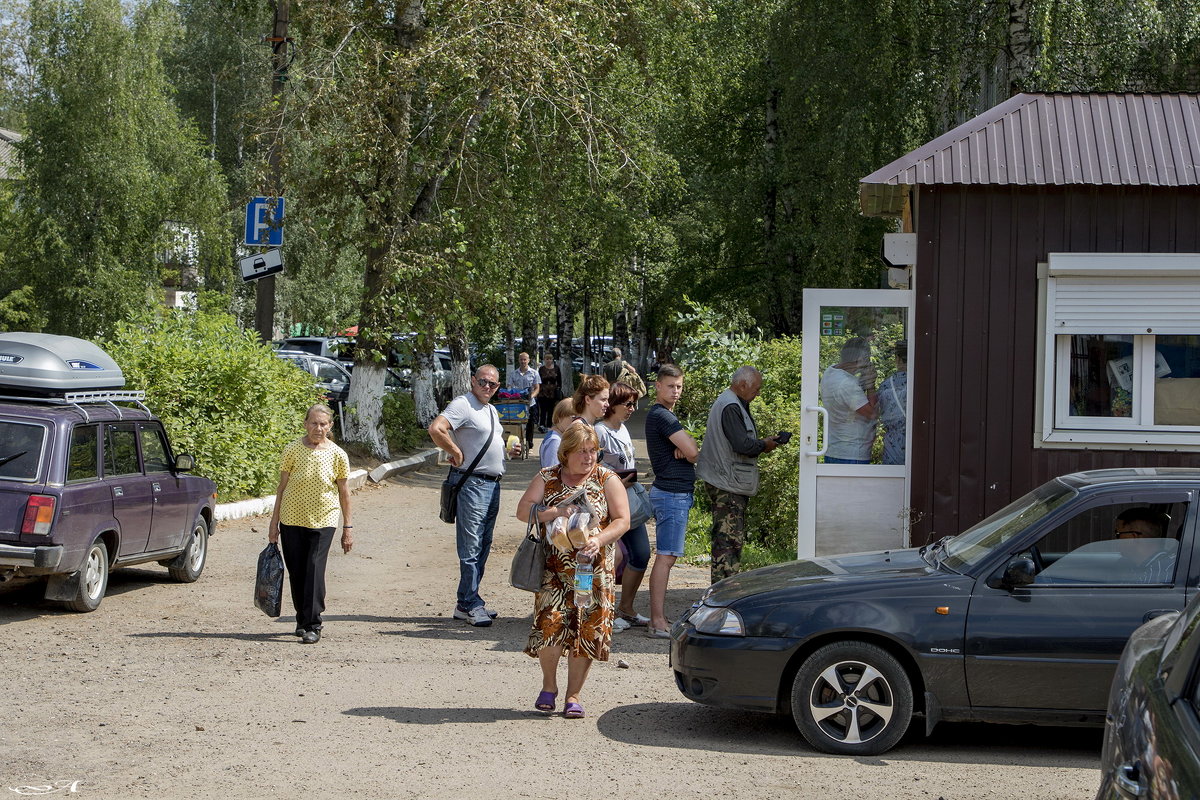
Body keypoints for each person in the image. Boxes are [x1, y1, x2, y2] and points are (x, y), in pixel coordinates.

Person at [516, 423, 630, 719]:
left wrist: (599, 540)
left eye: (593, 450)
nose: (589, 456)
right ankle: (549, 685)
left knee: (586, 630)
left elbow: (622, 520)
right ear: (565, 453)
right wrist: (554, 512)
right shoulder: (548, 477)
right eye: (582, 451)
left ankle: (573, 695)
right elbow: (522, 510)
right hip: (553, 570)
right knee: (549, 625)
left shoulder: (607, 478)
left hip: (593, 572)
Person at [428, 365, 507, 628]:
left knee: (483, 544)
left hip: (492, 484)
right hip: (472, 484)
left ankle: (466, 601)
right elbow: (437, 428)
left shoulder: (491, 410)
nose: (487, 387)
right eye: (483, 382)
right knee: (471, 547)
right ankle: (472, 603)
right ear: (473, 380)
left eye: (493, 384)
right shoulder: (464, 404)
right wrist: (454, 451)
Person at [267, 403, 353, 645]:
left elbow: (344, 492)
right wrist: (274, 524)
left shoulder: (337, 455)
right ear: (305, 424)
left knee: (314, 569)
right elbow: (281, 488)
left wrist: (348, 527)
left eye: (323, 424)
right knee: (297, 571)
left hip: (324, 520)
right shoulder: (292, 450)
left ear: (330, 426)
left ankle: (313, 623)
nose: (318, 428)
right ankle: (302, 618)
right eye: (314, 423)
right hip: (292, 519)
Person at [695, 366, 780, 583]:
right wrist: (764, 445)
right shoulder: (730, 406)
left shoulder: (731, 402)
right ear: (742, 385)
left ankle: (723, 589)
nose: (758, 393)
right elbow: (742, 444)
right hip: (727, 483)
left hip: (725, 480)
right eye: (756, 388)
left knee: (728, 540)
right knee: (728, 542)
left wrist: (763, 443)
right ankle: (723, 593)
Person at [645, 364, 698, 638]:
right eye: (670, 386)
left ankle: (658, 617)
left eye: (679, 386)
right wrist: (687, 451)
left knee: (667, 557)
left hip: (672, 493)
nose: (675, 391)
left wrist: (685, 451)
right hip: (671, 494)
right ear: (657, 386)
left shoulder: (664, 416)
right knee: (665, 557)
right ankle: (657, 621)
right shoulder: (663, 417)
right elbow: (693, 451)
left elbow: (688, 451)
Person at [594, 381, 651, 630]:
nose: (632, 408)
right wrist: (616, 481)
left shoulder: (624, 429)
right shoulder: (600, 431)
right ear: (613, 405)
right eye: (628, 404)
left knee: (641, 554)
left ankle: (626, 608)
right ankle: (603, 611)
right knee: (611, 558)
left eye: (634, 403)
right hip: (608, 507)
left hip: (629, 504)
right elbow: (592, 470)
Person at [820, 337, 878, 464]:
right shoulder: (847, 384)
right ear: (861, 359)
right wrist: (871, 385)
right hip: (852, 452)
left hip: (835, 448)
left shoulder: (830, 372)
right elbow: (872, 413)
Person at [1114, 507, 1175, 583]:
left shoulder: (1164, 573)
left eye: (1118, 534)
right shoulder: (1131, 566)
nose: (1115, 539)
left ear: (1134, 537)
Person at [877, 341, 907, 466]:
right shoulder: (922, 382)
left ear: (898, 359)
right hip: (918, 442)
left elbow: (878, 412)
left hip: (893, 445)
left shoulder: (886, 385)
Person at [507, 351, 541, 452]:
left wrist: (531, 396)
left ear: (528, 360)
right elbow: (509, 386)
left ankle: (529, 445)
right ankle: (516, 445)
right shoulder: (513, 374)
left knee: (530, 424)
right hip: (517, 403)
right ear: (519, 360)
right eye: (521, 359)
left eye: (525, 359)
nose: (523, 361)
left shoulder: (534, 373)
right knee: (516, 424)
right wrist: (511, 394)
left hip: (530, 403)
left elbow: (537, 388)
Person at [539, 397, 580, 468]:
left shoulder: (560, 437)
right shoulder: (555, 441)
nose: (577, 422)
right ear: (559, 418)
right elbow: (552, 472)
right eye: (573, 417)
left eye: (579, 418)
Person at [537, 352, 560, 430]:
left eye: (550, 359)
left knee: (551, 409)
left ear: (552, 359)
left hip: (553, 392)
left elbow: (559, 380)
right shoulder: (541, 369)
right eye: (547, 359)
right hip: (543, 392)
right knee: (543, 409)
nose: (548, 360)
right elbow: (538, 380)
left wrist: (559, 389)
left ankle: (549, 425)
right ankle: (542, 425)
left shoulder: (556, 368)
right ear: (544, 360)